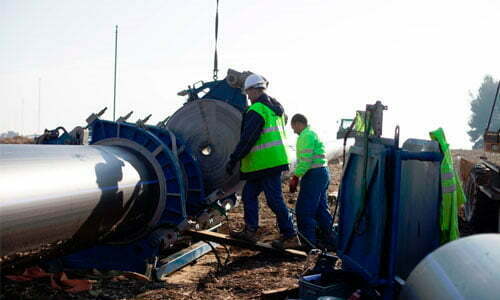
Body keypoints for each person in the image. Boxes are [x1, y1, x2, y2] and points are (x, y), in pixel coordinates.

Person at [226, 74, 300, 249]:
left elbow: (248, 139)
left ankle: (290, 235)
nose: (247, 95)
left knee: (274, 200)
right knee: (248, 195)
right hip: (266, 163)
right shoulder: (275, 109)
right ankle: (250, 231)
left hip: (266, 163)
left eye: (248, 91)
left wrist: (233, 159)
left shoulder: (257, 110)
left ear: (256, 90)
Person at [289, 113, 335, 249]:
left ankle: (308, 242)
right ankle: (331, 241)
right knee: (321, 209)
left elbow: (306, 160)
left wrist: (296, 176)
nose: (294, 131)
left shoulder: (306, 136)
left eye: (293, 127)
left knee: (304, 209)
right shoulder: (312, 134)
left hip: (313, 175)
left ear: (298, 123)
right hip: (322, 173)